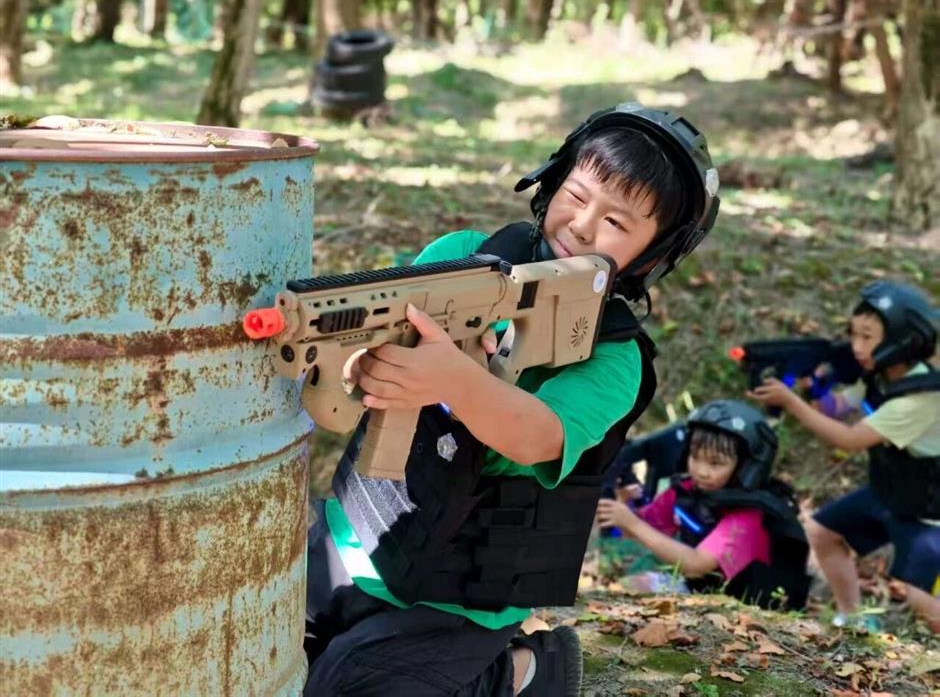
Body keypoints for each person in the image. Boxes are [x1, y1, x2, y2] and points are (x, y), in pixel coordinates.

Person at [302, 102, 720, 696]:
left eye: (617, 223)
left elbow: (539, 436)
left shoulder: (614, 354)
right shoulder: (465, 253)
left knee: (347, 687)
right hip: (358, 534)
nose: (581, 224)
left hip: (461, 599)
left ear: (652, 257)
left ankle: (524, 671)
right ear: (551, 182)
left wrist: (453, 380)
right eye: (577, 195)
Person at [748, 281, 940, 632]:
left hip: (928, 514)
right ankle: (852, 619)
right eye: (854, 335)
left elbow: (851, 439)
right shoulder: (882, 376)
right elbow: (837, 408)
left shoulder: (920, 397)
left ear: (902, 339)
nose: (857, 346)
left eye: (869, 337)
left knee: (916, 597)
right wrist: (817, 386)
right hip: (890, 491)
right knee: (823, 532)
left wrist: (790, 402)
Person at [596, 400, 811, 609]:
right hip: (701, 587)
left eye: (716, 463)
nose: (701, 471)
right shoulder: (687, 490)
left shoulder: (747, 515)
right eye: (695, 457)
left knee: (629, 588)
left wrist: (631, 523)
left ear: (746, 467)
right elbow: (644, 530)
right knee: (618, 578)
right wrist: (623, 505)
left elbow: (696, 565)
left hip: (739, 602)